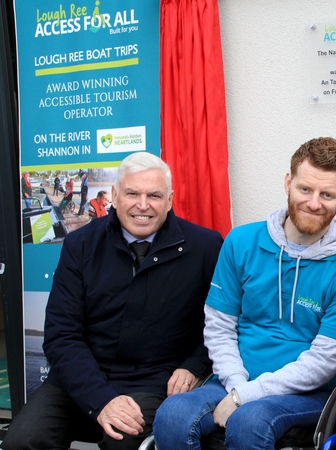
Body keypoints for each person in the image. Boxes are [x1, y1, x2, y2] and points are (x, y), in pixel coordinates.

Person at [153, 137, 336, 450]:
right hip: (233, 378)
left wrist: (245, 397)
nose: (314, 203)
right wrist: (236, 386)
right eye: (305, 189)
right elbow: (219, 326)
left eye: (327, 194)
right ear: (288, 183)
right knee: (172, 416)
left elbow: (324, 361)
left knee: (249, 422)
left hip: (309, 393)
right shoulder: (241, 241)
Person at [1, 152, 223, 450]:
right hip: (80, 378)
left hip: (152, 380)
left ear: (170, 200)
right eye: (132, 193)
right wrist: (102, 399)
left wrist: (194, 366)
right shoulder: (80, 244)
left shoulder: (205, 246)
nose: (142, 205)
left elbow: (222, 323)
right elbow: (61, 335)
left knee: (123, 442)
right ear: (115, 196)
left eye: (154, 195)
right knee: (22, 441)